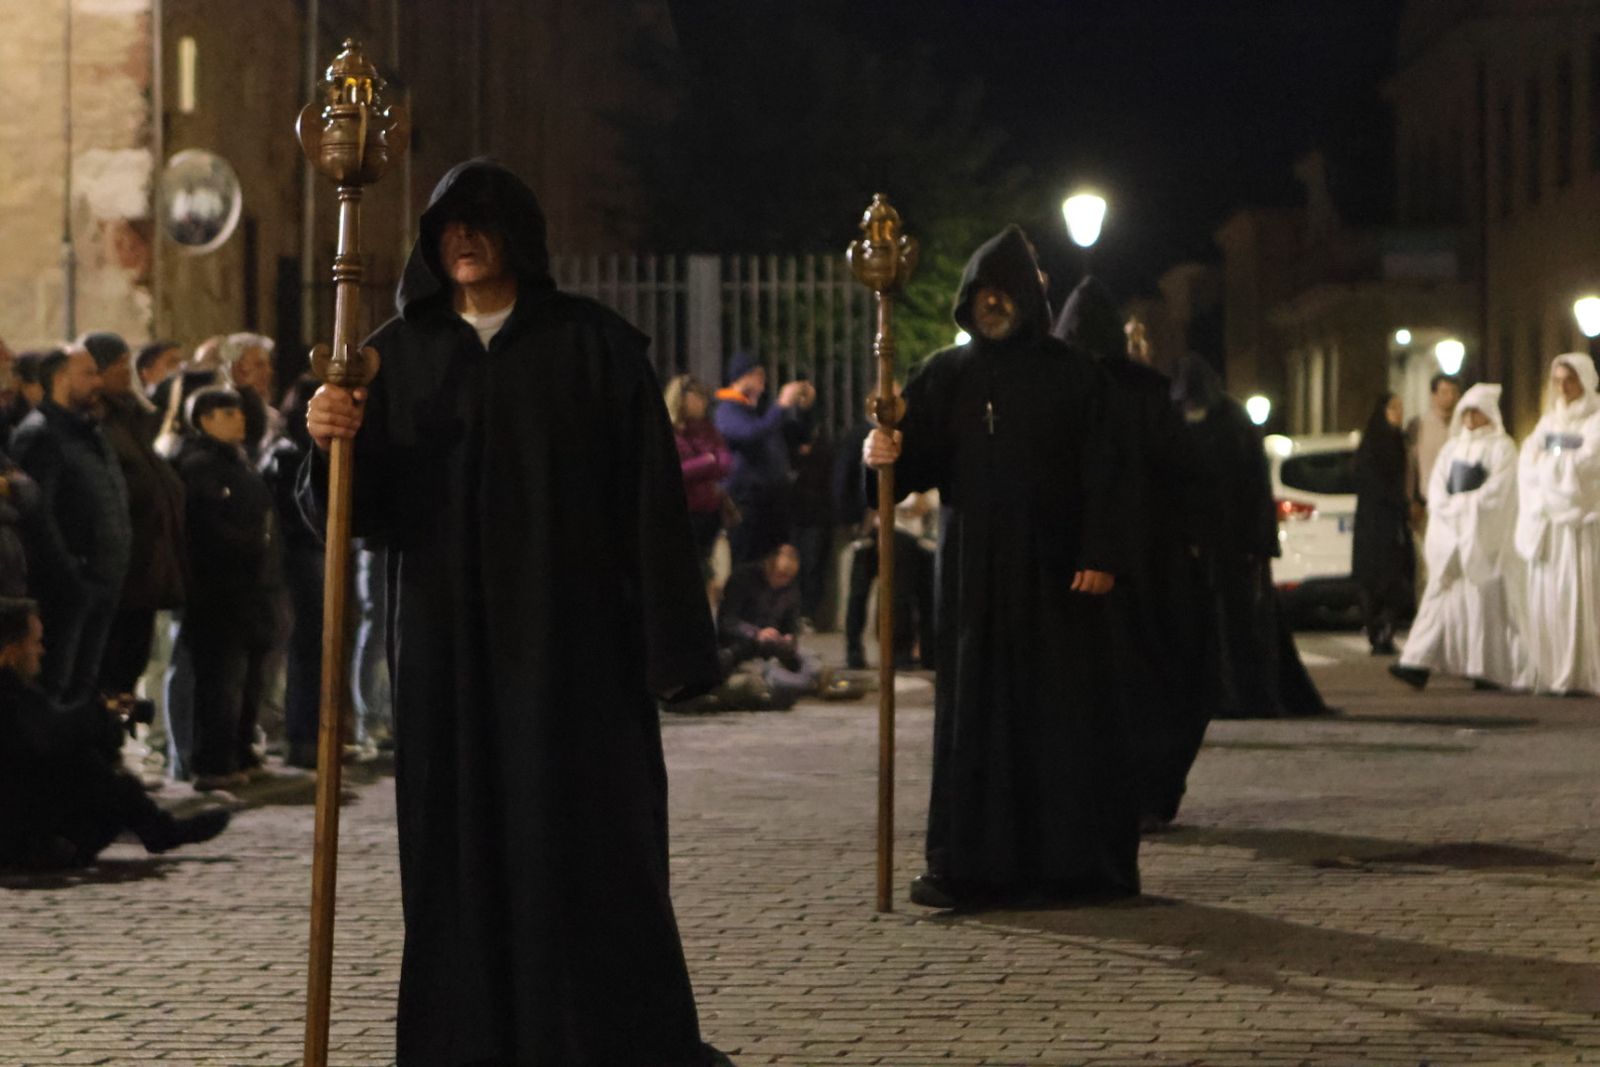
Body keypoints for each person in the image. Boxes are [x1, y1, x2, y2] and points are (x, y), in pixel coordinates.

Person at [300, 159, 731, 1067]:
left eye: (483, 221)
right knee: (458, 852)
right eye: (450, 223)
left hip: (577, 658)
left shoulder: (597, 347)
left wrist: (672, 648)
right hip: (449, 659)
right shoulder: (392, 352)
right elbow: (352, 513)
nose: (464, 237)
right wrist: (329, 436)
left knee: (587, 848)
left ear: (520, 236)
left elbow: (651, 506)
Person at [863, 224, 1138, 910]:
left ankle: (1065, 863)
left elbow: (1107, 472)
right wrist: (882, 450)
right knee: (974, 716)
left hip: (1053, 579)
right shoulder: (944, 375)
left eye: (1003, 291)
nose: (992, 303)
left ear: (1026, 298)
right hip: (972, 579)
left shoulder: (1075, 374)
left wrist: (1100, 552)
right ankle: (969, 863)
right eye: (982, 292)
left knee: (1056, 715)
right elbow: (912, 462)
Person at [1054, 278, 1208, 832]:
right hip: (1151, 558)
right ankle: (1147, 791)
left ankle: (1094, 792)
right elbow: (1185, 471)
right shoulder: (1147, 391)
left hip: (1078, 561)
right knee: (1155, 677)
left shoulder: (1059, 388)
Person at [0, 597, 230, 870]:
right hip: (17, 835)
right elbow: (46, 737)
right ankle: (158, 831)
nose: (41, 651)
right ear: (12, 650)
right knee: (83, 761)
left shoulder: (17, 693)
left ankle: (157, 829)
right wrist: (101, 717)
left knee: (87, 760)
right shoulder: (9, 696)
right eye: (34, 642)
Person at [1172, 355, 1329, 719]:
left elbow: (1254, 487)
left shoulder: (1232, 421)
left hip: (1232, 544)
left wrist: (1258, 544)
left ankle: (1238, 693)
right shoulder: (1187, 418)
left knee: (1239, 624)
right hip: (1201, 543)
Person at [10, 346, 132, 705]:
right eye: (89, 373)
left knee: (86, 684)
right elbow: (37, 514)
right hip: (67, 588)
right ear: (61, 379)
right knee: (56, 685)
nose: (98, 382)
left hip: (101, 580)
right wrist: (70, 574)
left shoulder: (89, 430)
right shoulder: (41, 434)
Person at [176, 388, 282, 792]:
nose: (238, 418)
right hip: (215, 588)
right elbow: (207, 527)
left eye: (238, 411)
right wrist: (247, 543)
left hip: (250, 586)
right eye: (225, 412)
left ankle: (239, 748)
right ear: (202, 419)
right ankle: (213, 759)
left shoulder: (239, 460)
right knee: (218, 678)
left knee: (249, 674)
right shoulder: (198, 464)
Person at [1390, 384, 1524, 690]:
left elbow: (1499, 491)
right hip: (1452, 537)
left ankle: (1486, 669)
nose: (1470, 418)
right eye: (1467, 411)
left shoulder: (1502, 448)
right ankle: (1416, 662)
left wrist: (1466, 505)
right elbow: (1437, 487)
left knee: (1482, 605)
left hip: (1481, 540)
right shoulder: (1452, 448)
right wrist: (1450, 508)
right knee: (1438, 597)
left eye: (1476, 411)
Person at [81, 333, 188, 705]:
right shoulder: (98, 423)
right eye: (119, 366)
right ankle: (102, 750)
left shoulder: (132, 418)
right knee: (107, 667)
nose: (127, 372)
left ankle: (114, 745)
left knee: (130, 664)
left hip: (145, 568)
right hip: (121, 570)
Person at [1514, 353, 1600, 695]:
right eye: (1558, 380)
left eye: (1570, 379)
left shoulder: (1595, 419)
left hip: (1583, 528)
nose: (1563, 387)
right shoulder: (1549, 422)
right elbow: (1530, 460)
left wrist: (1553, 462)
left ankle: (1583, 669)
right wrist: (1560, 464)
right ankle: (1554, 668)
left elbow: (1591, 463)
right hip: (1552, 526)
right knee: (1554, 598)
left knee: (1581, 596)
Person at [714, 351, 814, 565]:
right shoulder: (727, 409)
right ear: (740, 377)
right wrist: (781, 405)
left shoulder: (758, 410)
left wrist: (803, 409)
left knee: (774, 561)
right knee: (748, 563)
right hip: (748, 501)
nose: (762, 379)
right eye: (755, 373)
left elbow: (796, 436)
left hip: (772, 499)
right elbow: (751, 434)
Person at [713, 543, 823, 707]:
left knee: (813, 663)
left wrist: (788, 639)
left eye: (787, 578)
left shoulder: (790, 590)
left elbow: (790, 626)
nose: (781, 582)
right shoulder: (743, 578)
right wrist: (757, 633)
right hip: (742, 646)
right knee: (737, 665)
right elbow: (728, 621)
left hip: (773, 650)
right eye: (778, 576)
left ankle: (785, 683)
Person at [1353, 393, 1416, 655]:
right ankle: (1376, 631)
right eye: (1393, 408)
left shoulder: (1398, 442)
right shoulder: (1374, 445)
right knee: (1374, 578)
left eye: (1401, 408)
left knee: (1395, 578)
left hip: (1391, 522)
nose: (1399, 413)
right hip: (1375, 522)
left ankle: (1386, 631)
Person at [665, 373, 732, 581]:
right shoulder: (669, 430)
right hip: (682, 512)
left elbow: (725, 463)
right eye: (698, 396)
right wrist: (706, 462)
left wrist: (707, 463)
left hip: (708, 511)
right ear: (682, 397)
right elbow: (674, 471)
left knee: (707, 572)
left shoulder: (706, 429)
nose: (703, 402)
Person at [1407, 372, 1463, 520]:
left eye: (1453, 392)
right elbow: (1411, 465)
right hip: (1427, 503)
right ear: (1434, 395)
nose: (1449, 397)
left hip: (1459, 503)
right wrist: (1413, 500)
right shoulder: (1419, 425)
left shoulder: (1464, 426)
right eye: (1444, 392)